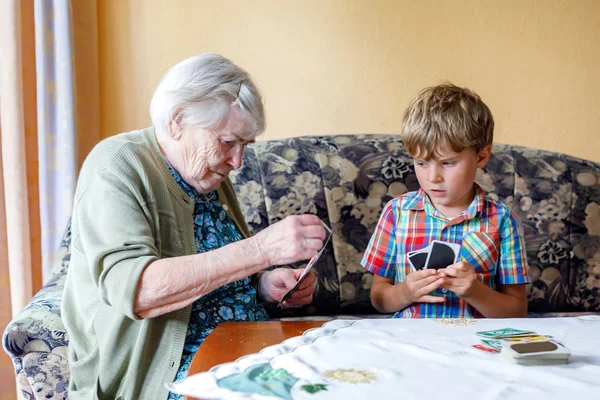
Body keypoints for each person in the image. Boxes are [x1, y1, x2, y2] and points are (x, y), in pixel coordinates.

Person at [61, 53, 326, 400]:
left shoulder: (206, 174)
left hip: (242, 350)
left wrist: (263, 286)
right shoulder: (116, 166)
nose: (238, 161)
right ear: (177, 121)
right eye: (228, 141)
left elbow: (211, 270)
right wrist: (260, 251)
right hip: (163, 374)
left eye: (245, 145)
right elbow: (138, 292)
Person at [361, 83, 530, 319]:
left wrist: (475, 291)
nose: (433, 177)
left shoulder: (502, 221)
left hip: (474, 345)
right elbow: (378, 297)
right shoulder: (396, 213)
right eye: (421, 163)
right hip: (410, 343)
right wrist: (405, 292)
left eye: (447, 163)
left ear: (481, 156)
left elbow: (517, 310)